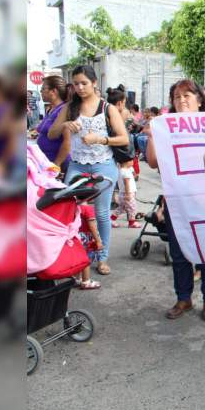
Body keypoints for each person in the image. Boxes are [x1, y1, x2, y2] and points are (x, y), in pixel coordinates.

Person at [145, 79, 205, 321]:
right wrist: (151, 137)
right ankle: (183, 299)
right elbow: (153, 162)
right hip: (177, 202)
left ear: (199, 100)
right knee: (179, 255)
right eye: (177, 97)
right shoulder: (165, 127)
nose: (182, 100)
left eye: (187, 95)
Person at [49, 66, 129, 276]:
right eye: (76, 84)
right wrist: (65, 125)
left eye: (84, 83)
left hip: (104, 165)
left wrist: (100, 139)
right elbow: (51, 133)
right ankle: (76, 254)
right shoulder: (69, 107)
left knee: (102, 214)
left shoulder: (107, 108)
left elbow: (124, 138)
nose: (80, 87)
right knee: (70, 211)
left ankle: (102, 257)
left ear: (94, 83)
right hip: (77, 165)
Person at [35, 75, 70, 173]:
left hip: (57, 164)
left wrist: (57, 164)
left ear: (54, 91)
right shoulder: (50, 109)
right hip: (46, 161)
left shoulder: (63, 110)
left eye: (43, 89)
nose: (41, 91)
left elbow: (68, 142)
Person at [76, 200, 102, 290]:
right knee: (86, 259)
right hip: (85, 237)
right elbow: (92, 226)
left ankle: (77, 278)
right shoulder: (88, 209)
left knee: (78, 258)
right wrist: (98, 240)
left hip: (75, 235)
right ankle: (86, 281)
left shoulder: (73, 207)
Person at [111, 160, 140, 228]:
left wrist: (133, 172)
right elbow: (127, 184)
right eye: (131, 161)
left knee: (121, 208)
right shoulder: (125, 172)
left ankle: (111, 219)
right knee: (132, 208)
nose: (133, 162)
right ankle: (132, 223)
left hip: (124, 193)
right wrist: (127, 194)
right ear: (126, 162)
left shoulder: (125, 169)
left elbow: (134, 175)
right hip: (127, 193)